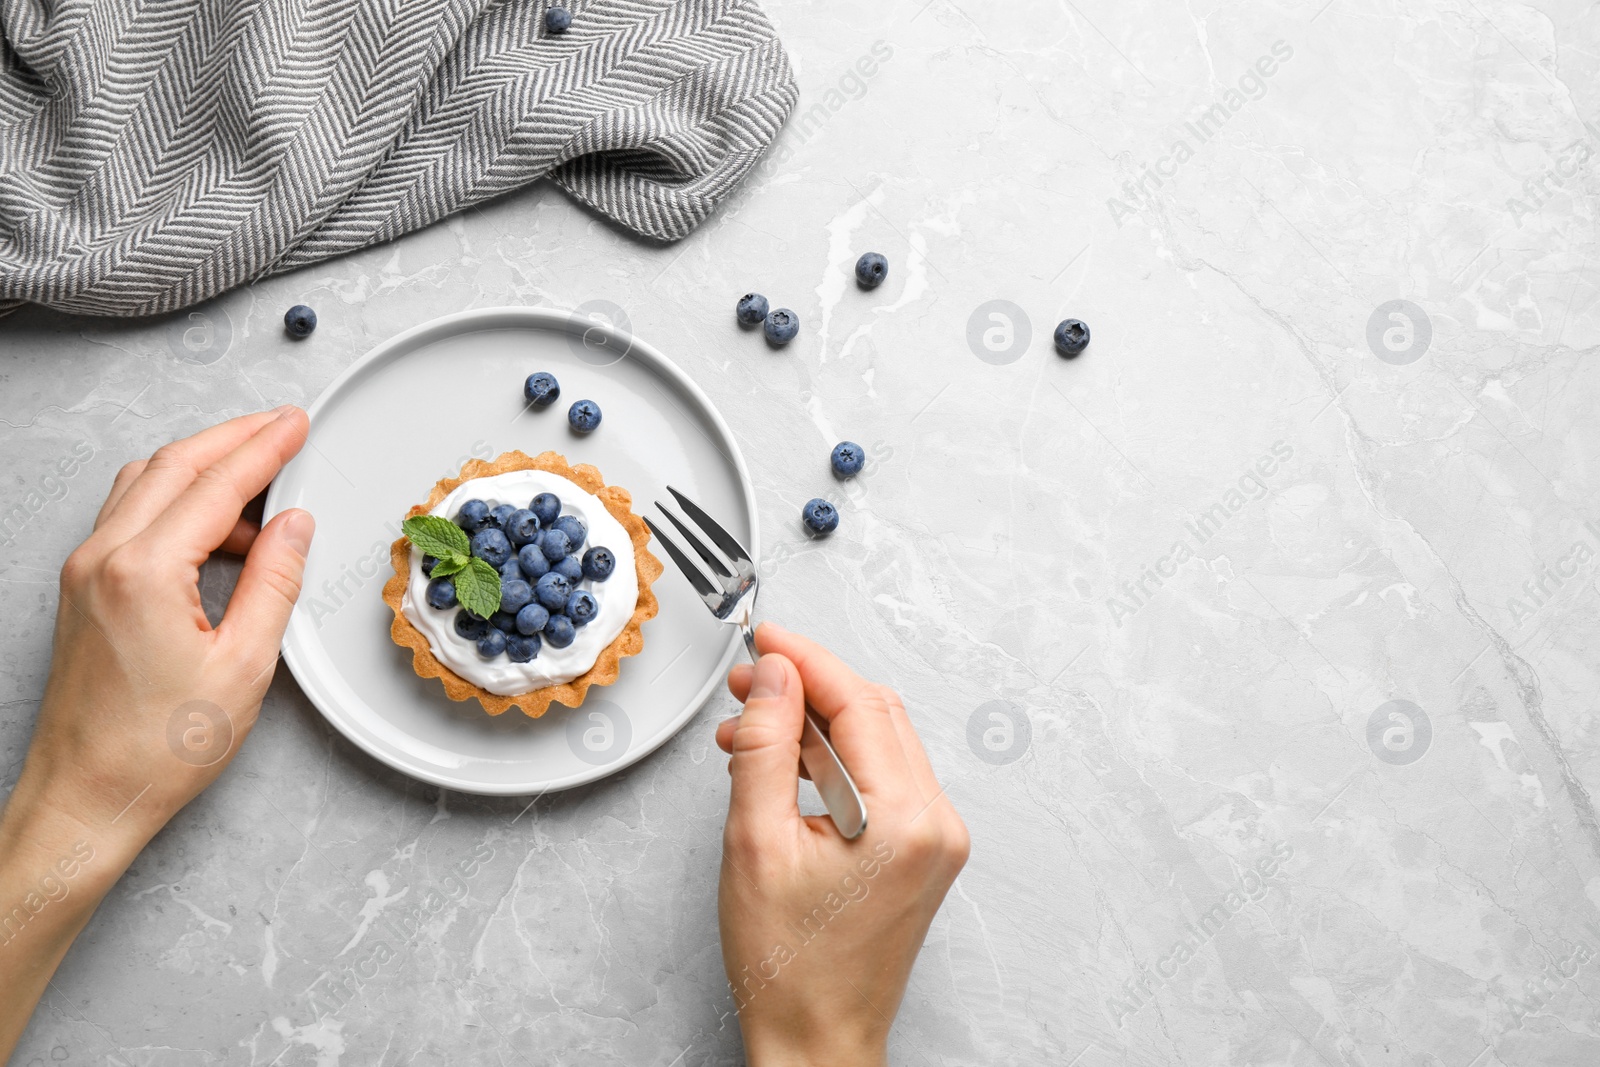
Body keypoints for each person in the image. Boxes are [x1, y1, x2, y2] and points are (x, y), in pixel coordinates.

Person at [0, 409, 969, 1063]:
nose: (547, 566)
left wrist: (79, 800)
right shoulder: (464, 575)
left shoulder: (544, 582)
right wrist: (817, 1040)